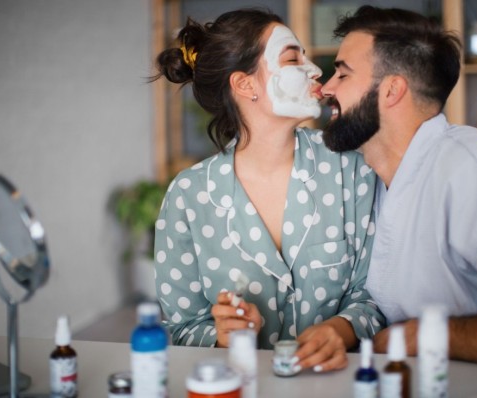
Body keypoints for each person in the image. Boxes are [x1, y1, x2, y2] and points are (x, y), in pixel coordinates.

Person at [320, 5, 477, 368]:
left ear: (392, 89)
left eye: (342, 74)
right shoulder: (371, 179)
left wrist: (422, 335)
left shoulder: (474, 171)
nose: (324, 88)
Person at [151, 8, 384, 372]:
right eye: (293, 58)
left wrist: (340, 329)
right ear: (245, 85)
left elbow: (376, 295)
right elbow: (182, 327)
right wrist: (222, 333)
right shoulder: (187, 197)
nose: (315, 70)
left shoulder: (351, 168)